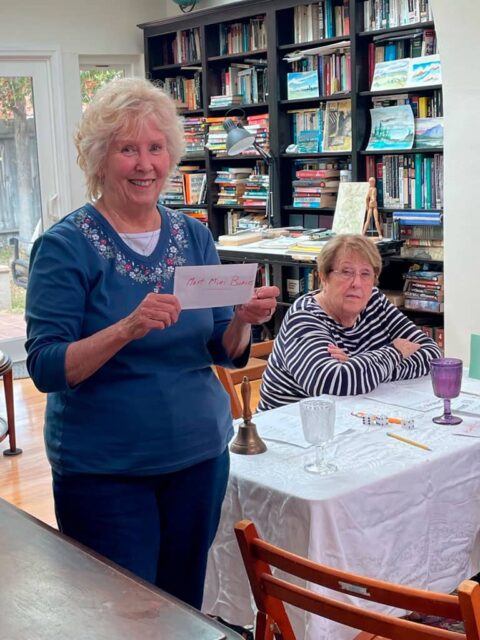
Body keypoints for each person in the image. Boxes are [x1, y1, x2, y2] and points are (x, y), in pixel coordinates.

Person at [25, 77, 278, 609]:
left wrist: (243, 321)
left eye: (155, 147)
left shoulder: (194, 236)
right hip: (107, 471)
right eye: (127, 149)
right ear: (99, 158)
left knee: (183, 605)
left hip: (199, 457)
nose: (145, 164)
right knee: (122, 614)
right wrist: (126, 328)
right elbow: (47, 368)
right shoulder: (65, 246)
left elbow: (219, 348)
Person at [259, 234, 441, 410]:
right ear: (323, 277)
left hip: (351, 419)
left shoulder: (374, 301)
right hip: (292, 429)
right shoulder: (304, 317)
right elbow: (332, 383)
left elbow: (433, 355)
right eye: (346, 272)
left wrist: (356, 364)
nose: (357, 283)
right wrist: (394, 353)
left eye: (365, 274)